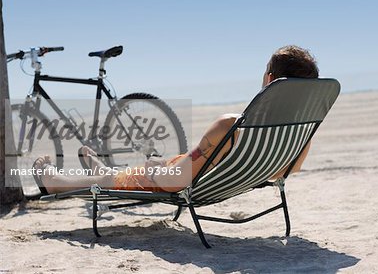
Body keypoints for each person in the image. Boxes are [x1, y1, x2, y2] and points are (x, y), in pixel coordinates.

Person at [33, 45, 319, 194]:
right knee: (141, 167)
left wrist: (154, 169)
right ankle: (101, 167)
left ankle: (54, 181)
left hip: (176, 179)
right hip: (212, 176)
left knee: (130, 173)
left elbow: (175, 181)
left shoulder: (231, 124)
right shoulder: (300, 133)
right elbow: (285, 172)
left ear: (269, 79)